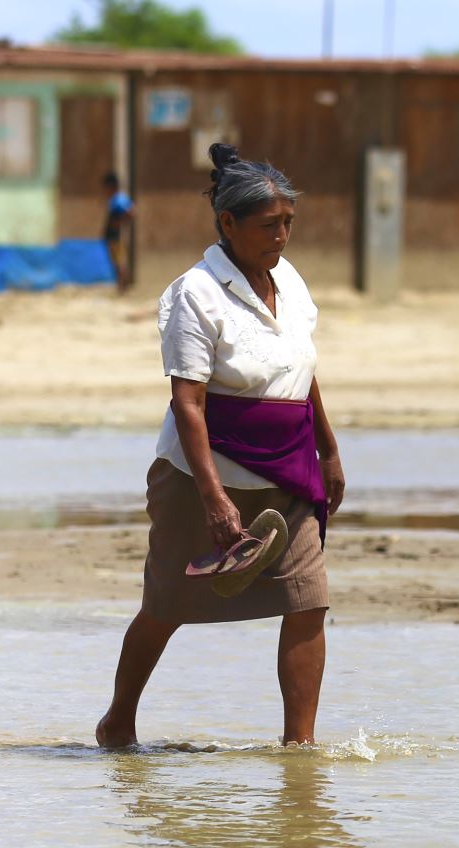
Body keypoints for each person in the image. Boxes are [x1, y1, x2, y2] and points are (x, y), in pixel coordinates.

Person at [95, 143, 346, 749]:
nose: (282, 236)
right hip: (202, 476)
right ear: (227, 223)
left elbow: (301, 369)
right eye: (269, 225)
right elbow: (188, 402)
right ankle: (118, 721)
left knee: (308, 600)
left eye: (288, 222)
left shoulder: (290, 281)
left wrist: (328, 452)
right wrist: (213, 499)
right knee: (168, 602)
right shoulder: (196, 293)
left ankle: (299, 749)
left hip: (289, 470)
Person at [102, 171, 134, 293]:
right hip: (112, 235)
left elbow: (131, 211)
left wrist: (120, 222)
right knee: (117, 261)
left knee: (120, 261)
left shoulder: (119, 199)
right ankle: (121, 286)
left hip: (117, 235)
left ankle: (124, 287)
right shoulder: (114, 199)